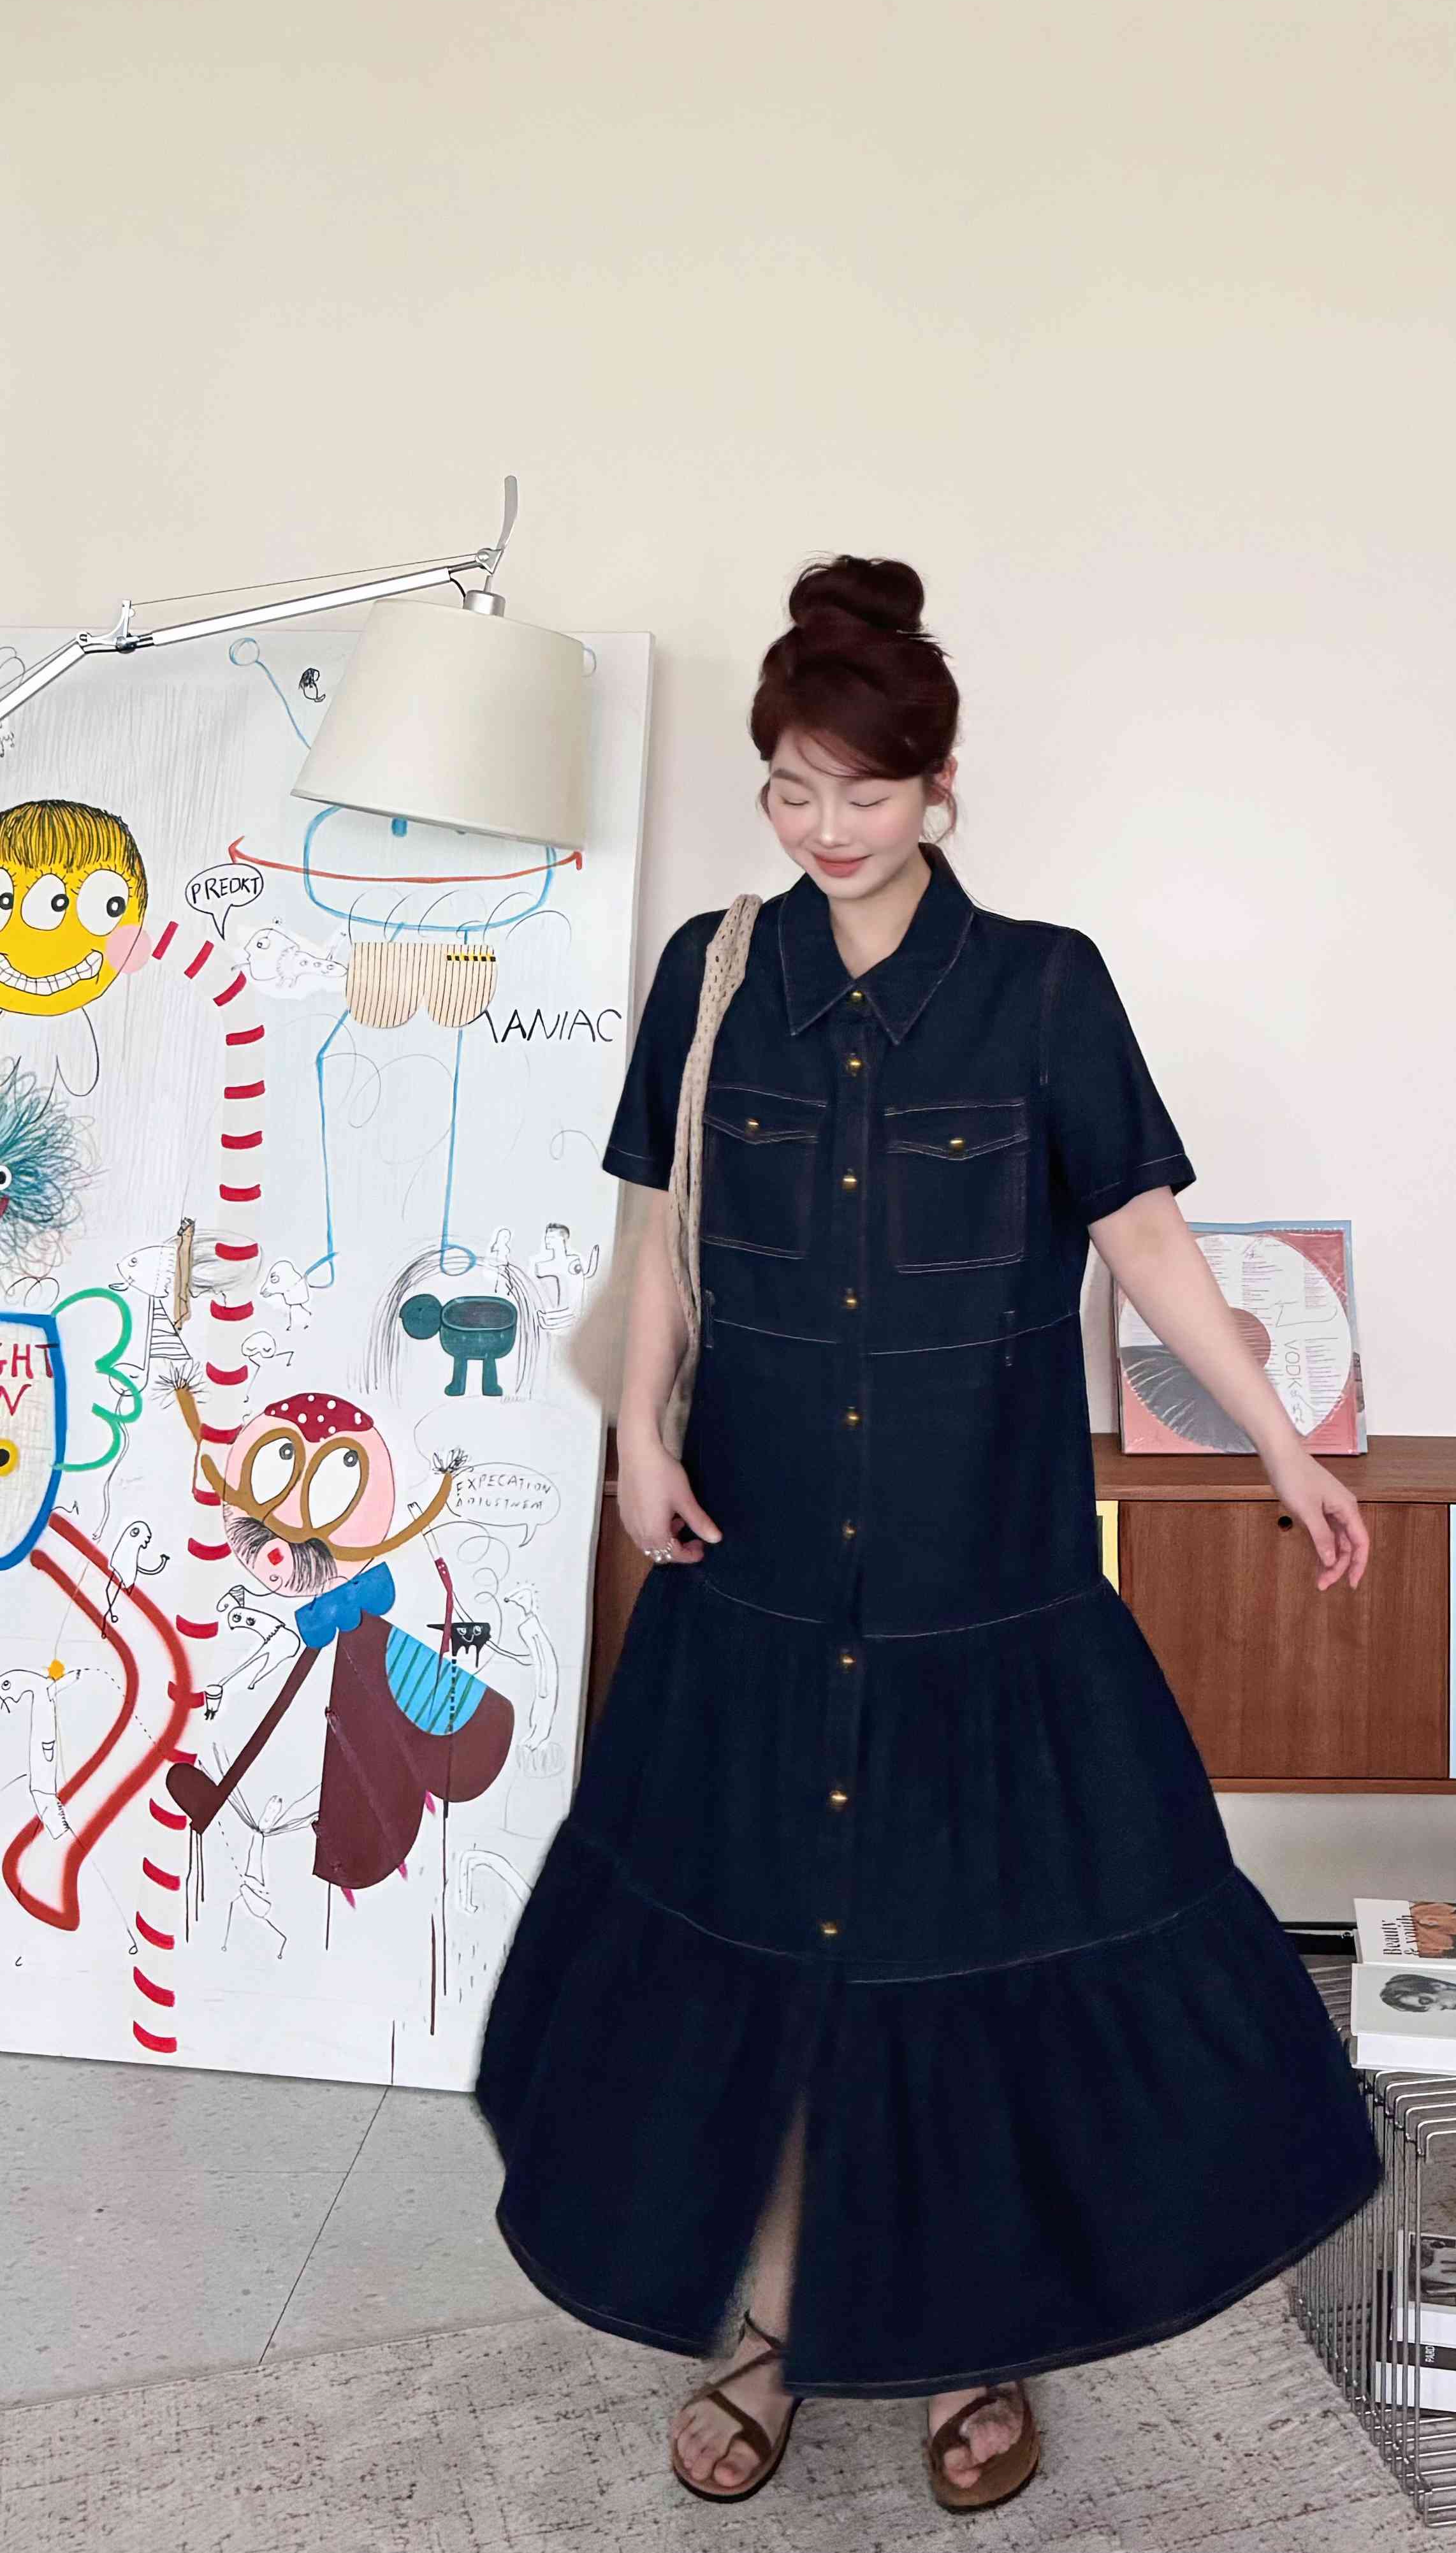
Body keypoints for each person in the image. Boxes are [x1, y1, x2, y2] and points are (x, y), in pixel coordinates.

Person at [474, 555, 1384, 2511]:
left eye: (863, 792)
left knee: (971, 1963)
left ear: (940, 786)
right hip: (754, 1564)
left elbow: (1145, 1238)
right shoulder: (714, 974)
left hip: (987, 1584)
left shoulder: (1044, 988)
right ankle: (771, 2319)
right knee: (762, 1959)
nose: (822, 828)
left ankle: (977, 2328)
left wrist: (1284, 1447)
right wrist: (634, 1433)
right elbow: (657, 1227)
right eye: (789, 789)